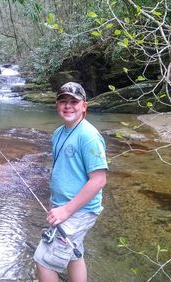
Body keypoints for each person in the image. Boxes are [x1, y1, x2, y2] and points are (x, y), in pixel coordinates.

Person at [33, 82, 108, 282]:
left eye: (74, 102)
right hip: (63, 205)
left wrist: (66, 210)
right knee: (75, 252)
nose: (68, 106)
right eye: (63, 101)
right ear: (56, 105)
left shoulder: (89, 137)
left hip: (79, 210)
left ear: (84, 106)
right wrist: (56, 203)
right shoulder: (58, 133)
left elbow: (99, 180)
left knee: (44, 260)